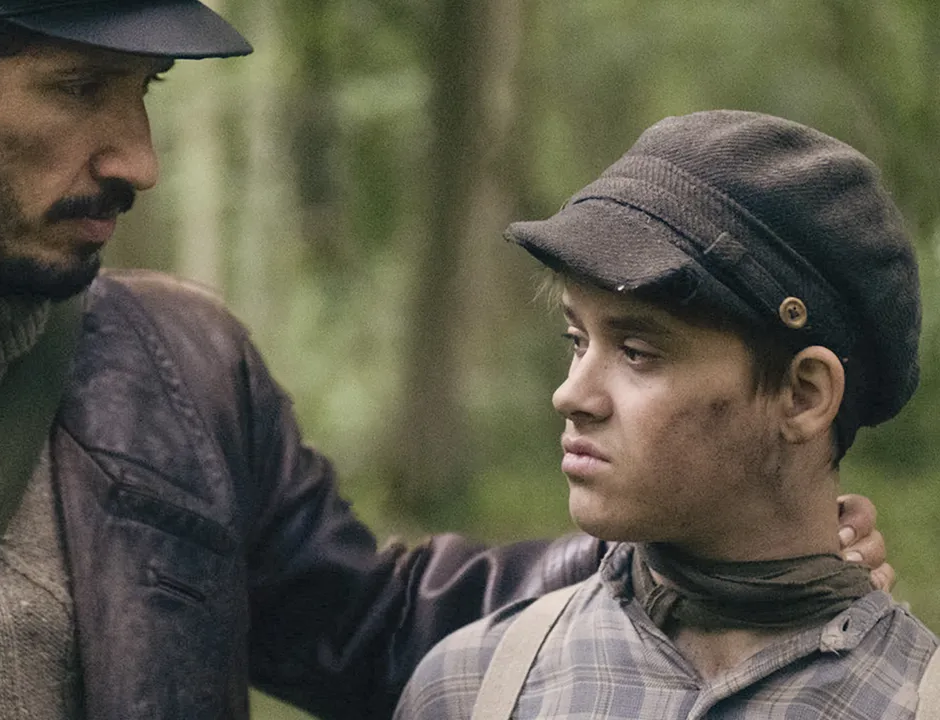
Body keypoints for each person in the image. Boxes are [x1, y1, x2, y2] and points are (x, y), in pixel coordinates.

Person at [0, 1, 886, 716]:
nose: (136, 159)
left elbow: (371, 630)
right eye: (78, 89)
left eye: (143, 92)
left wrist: (703, 558)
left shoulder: (182, 370)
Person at [393, 110, 936, 720]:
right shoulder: (473, 687)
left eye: (637, 352)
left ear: (803, 396)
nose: (571, 395)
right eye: (577, 340)